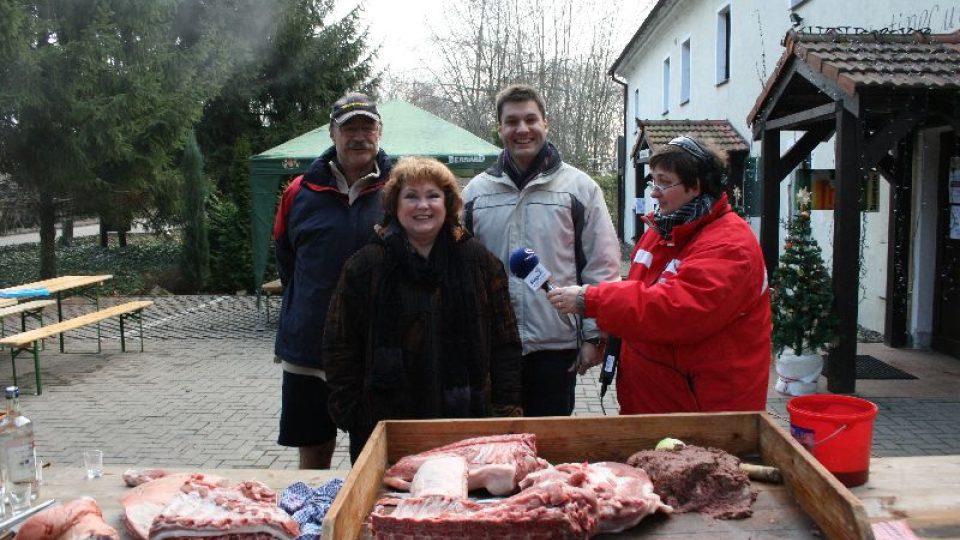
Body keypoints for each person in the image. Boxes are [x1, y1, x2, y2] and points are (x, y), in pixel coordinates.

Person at [547, 135, 771, 414]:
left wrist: (591, 299)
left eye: (664, 182)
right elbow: (638, 301)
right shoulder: (662, 231)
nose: (654, 192)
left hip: (703, 415)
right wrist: (603, 338)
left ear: (696, 185)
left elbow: (676, 310)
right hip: (655, 405)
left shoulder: (730, 245)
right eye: (653, 181)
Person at [324, 156, 523, 461]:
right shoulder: (365, 266)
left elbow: (505, 343)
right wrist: (353, 413)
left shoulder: (480, 263)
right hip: (384, 428)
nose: (423, 206)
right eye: (411, 196)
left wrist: (504, 412)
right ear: (394, 204)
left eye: (433, 196)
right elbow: (339, 345)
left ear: (448, 203)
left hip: (468, 425)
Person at [462, 84, 621, 417]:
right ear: (500, 128)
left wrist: (594, 337)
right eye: (512, 121)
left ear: (545, 124)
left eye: (530, 119)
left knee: (551, 443)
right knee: (498, 441)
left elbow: (602, 266)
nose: (522, 129)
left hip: (556, 347)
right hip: (492, 347)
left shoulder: (580, 189)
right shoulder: (475, 194)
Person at [273, 92, 392, 469]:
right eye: (348, 128)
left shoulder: (400, 187)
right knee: (313, 454)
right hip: (309, 348)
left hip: (375, 350)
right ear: (332, 133)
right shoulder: (298, 192)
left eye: (367, 127)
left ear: (379, 132)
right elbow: (287, 262)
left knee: (373, 460)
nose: (358, 136)